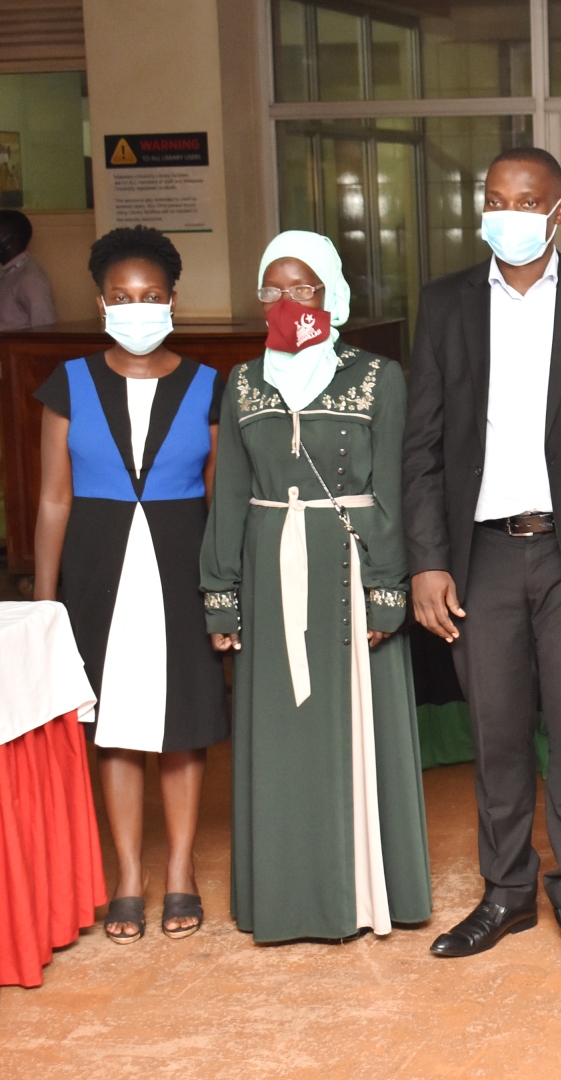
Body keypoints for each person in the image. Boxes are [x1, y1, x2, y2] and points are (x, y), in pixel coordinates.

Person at [403, 147, 561, 967]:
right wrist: (426, 561)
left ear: (557, 213)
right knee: (497, 731)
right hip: (478, 554)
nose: (505, 214)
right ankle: (508, 893)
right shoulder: (445, 304)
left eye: (523, 201)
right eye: (493, 198)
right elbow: (423, 446)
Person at [200, 230, 432, 943]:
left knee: (354, 730)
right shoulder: (242, 382)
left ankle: (359, 897)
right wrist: (222, 591)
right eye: (273, 290)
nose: (287, 302)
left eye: (302, 289)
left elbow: (391, 487)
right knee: (282, 737)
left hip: (351, 569)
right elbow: (230, 495)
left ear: (331, 292)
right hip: (271, 574)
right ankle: (288, 897)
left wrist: (389, 587)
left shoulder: (377, 375)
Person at [32, 226, 228, 943]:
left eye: (149, 296)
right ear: (100, 301)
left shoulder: (209, 386)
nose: (136, 307)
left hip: (180, 566)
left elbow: (216, 498)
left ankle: (179, 871)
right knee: (114, 726)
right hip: (94, 567)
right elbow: (54, 498)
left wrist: (222, 586)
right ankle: (128, 877)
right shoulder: (69, 383)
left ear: (173, 300)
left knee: (182, 727)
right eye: (122, 297)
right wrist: (46, 603)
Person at [0, 209, 56, 330]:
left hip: (17, 348)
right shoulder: (8, 273)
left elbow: (45, 328)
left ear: (11, 241)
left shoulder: (30, 277)